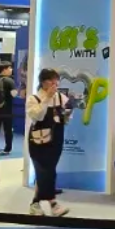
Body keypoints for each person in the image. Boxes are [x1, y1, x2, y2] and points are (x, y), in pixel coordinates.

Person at [24, 68, 69, 216]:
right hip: (39, 140)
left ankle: (36, 203)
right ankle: (53, 203)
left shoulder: (61, 98)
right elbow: (37, 116)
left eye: (56, 80)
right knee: (44, 170)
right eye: (51, 80)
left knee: (49, 170)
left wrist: (66, 114)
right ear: (43, 82)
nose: (54, 84)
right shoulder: (33, 99)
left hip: (56, 139)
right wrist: (46, 99)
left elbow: (67, 117)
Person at [0, 63, 18, 155]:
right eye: (9, 68)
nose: (11, 69)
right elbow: (14, 94)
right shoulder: (9, 80)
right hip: (7, 109)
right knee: (8, 130)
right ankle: (7, 148)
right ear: (4, 69)